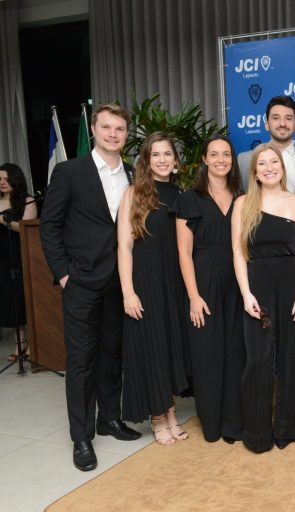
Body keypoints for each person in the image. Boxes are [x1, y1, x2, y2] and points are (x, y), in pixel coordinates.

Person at [40, 103, 142, 472]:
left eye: (120, 129)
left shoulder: (132, 173)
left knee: (112, 354)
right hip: (81, 280)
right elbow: (50, 226)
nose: (113, 134)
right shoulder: (70, 172)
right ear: (94, 130)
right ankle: (81, 437)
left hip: (120, 281)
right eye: (106, 127)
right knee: (81, 360)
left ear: (126, 135)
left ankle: (109, 419)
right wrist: (64, 273)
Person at [232, 143, 295, 453]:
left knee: (293, 357)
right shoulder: (243, 204)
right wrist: (246, 294)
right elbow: (238, 254)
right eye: (262, 164)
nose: (269, 168)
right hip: (258, 287)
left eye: (274, 162)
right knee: (258, 360)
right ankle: (257, 433)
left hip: (293, 287)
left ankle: (290, 426)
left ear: (282, 168)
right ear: (254, 172)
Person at [117, 132, 189, 446]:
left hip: (174, 282)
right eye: (155, 154)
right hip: (146, 281)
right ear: (146, 161)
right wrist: (128, 292)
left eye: (167, 154)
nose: (162, 160)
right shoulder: (134, 193)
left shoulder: (182, 194)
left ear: (175, 161)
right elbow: (124, 247)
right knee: (153, 348)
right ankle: (158, 417)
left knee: (171, 347)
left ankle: (170, 411)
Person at [176, 134, 245, 444]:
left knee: (236, 353)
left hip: (237, 281)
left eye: (226, 154)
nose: (221, 160)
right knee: (207, 354)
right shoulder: (189, 198)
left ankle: (234, 423)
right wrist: (193, 296)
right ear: (203, 159)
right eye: (214, 154)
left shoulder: (243, 197)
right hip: (203, 282)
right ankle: (212, 424)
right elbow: (183, 251)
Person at [237, 95, 295, 192]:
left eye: (288, 118)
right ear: (267, 125)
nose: (282, 124)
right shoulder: (244, 160)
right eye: (276, 118)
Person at [0, 163, 37, 361]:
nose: (2, 182)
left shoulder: (27, 201)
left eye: (6, 179)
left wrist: (5, 221)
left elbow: (26, 229)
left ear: (15, 179)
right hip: (2, 261)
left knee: (24, 300)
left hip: (21, 258)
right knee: (10, 302)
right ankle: (19, 344)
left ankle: (33, 345)